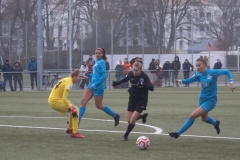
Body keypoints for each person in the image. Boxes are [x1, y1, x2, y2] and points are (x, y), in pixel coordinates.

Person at [169, 58, 235, 139]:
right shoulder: (198, 74)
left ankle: (177, 134)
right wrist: (181, 81)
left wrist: (231, 83)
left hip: (211, 101)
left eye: (199, 65)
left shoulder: (212, 73)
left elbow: (227, 71)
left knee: (193, 115)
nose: (197, 67)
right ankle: (215, 123)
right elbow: (190, 80)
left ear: (204, 65)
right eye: (196, 65)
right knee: (204, 119)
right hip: (202, 99)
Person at [78, 48, 120, 133]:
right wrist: (89, 75)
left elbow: (104, 76)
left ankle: (115, 116)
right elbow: (96, 75)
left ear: (102, 54)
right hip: (92, 84)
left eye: (99, 53)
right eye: (96, 53)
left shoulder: (102, 63)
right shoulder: (96, 62)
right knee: (83, 102)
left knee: (99, 105)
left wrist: (95, 84)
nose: (97, 54)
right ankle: (76, 121)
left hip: (98, 86)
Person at [112, 62, 154, 141]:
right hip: (132, 98)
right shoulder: (131, 74)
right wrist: (116, 83)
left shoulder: (144, 76)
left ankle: (126, 135)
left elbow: (152, 88)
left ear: (140, 70)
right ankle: (142, 116)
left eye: (136, 70)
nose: (134, 72)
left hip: (142, 100)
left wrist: (143, 84)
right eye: (133, 70)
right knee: (128, 120)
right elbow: (125, 79)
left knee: (132, 120)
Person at [48, 69, 85, 138]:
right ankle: (75, 132)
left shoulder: (68, 79)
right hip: (55, 101)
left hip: (54, 99)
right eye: (80, 76)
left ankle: (70, 129)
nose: (81, 78)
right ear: (74, 76)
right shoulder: (69, 83)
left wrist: (71, 106)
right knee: (75, 110)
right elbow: (64, 98)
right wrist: (71, 108)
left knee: (74, 107)